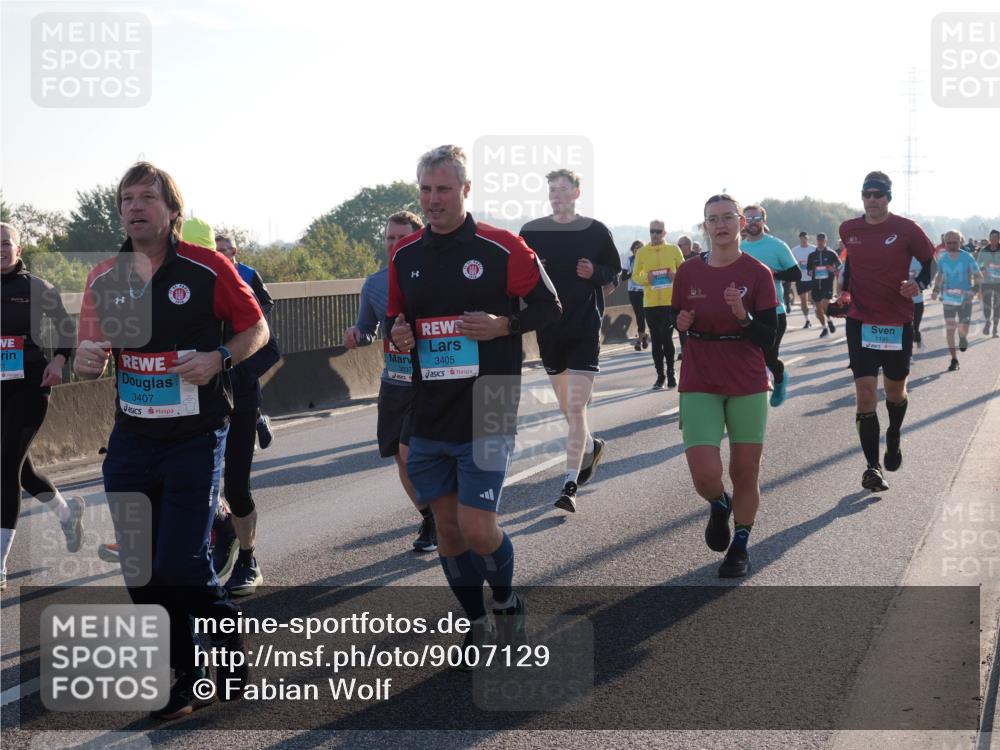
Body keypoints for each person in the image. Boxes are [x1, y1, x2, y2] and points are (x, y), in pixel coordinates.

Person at [74, 162, 268, 719]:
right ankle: (185, 673)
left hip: (195, 436)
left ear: (172, 211)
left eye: (147, 198)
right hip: (132, 440)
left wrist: (219, 357)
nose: (135, 208)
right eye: (126, 200)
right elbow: (91, 359)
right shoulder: (104, 278)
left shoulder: (208, 269)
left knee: (183, 565)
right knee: (140, 568)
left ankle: (227, 651)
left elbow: (258, 329)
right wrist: (86, 359)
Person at [387, 145, 560, 663]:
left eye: (443, 189)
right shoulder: (405, 255)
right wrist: (397, 334)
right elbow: (396, 324)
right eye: (425, 190)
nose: (433, 199)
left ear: (466, 190)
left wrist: (505, 324)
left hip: (489, 401)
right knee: (447, 526)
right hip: (431, 405)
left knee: (478, 526)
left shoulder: (503, 247)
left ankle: (506, 600)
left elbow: (551, 308)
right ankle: (474, 620)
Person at [672, 195, 778, 578]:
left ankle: (740, 544)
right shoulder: (687, 273)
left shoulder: (758, 273)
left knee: (745, 471)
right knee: (704, 473)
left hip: (746, 377)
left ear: (741, 223)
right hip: (700, 375)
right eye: (713, 219)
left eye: (727, 218)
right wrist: (680, 322)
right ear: (705, 226)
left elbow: (769, 336)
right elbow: (677, 315)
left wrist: (743, 316)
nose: (721, 225)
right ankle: (719, 504)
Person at [520, 169, 621, 513]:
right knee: (568, 410)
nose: (557, 195)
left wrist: (595, 272)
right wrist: (533, 273)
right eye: (552, 190)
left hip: (584, 327)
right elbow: (515, 281)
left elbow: (614, 274)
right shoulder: (531, 232)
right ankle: (592, 447)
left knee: (576, 407)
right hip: (549, 330)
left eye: (563, 189)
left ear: (577, 193)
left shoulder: (595, 230)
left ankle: (569, 483)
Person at [343, 210, 437, 551]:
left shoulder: (431, 273)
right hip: (394, 380)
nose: (394, 244)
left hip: (429, 380)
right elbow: (368, 330)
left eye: (401, 237)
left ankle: (445, 511)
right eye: (389, 238)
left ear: (417, 236)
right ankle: (430, 518)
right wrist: (357, 334)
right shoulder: (375, 284)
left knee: (409, 451)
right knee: (399, 457)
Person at [836, 171, 935, 492]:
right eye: (868, 194)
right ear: (862, 197)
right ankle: (872, 467)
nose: (873, 199)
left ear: (888, 197)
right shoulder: (849, 229)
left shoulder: (907, 229)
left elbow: (928, 261)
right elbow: (851, 264)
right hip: (860, 320)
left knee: (895, 392)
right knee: (865, 395)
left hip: (897, 321)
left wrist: (917, 284)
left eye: (879, 194)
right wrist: (845, 291)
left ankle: (893, 435)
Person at [1, 222, 85, 591]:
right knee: (23, 473)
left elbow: (67, 327)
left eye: (6, 243)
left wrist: (59, 361)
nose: (0, 249)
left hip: (30, 388)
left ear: (19, 249)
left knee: (5, 471)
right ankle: (68, 515)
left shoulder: (34, 288)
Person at [209, 228, 281, 596]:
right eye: (212, 251)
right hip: (197, 401)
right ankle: (219, 531)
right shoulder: (183, 286)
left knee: (236, 486)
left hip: (239, 397)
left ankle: (248, 558)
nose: (219, 257)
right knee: (189, 481)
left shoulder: (247, 281)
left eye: (225, 251)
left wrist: (229, 370)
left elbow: (270, 348)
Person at [214, 233, 275, 450]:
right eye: (216, 249)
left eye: (223, 250)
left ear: (234, 252)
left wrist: (253, 324)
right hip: (224, 341)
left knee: (244, 380)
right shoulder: (210, 273)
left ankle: (255, 421)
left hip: (250, 338)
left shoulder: (248, 274)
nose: (219, 253)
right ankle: (254, 422)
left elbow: (267, 303)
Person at [740, 204, 801, 407]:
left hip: (774, 311)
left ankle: (780, 376)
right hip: (744, 312)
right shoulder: (738, 247)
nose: (753, 223)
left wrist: (773, 274)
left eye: (756, 218)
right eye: (748, 219)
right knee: (746, 358)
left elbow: (796, 274)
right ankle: (750, 399)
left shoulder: (777, 246)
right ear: (743, 222)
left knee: (768, 357)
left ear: (764, 221)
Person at [634, 221, 685, 390]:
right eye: (651, 232)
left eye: (657, 231)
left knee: (666, 337)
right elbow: (636, 276)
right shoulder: (642, 252)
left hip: (669, 302)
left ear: (664, 232)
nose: (654, 234)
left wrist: (675, 276)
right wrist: (645, 279)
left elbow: (685, 271)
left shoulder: (673, 249)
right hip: (650, 303)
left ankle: (671, 372)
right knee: (656, 340)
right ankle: (660, 376)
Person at [930, 230, 982, 372]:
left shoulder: (968, 258)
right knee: (950, 328)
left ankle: (963, 336)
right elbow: (940, 275)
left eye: (955, 242)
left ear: (961, 242)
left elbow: (978, 276)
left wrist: (974, 289)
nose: (952, 245)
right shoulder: (943, 258)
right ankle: (954, 359)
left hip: (965, 299)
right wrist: (935, 290)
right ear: (945, 243)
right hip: (948, 299)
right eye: (949, 243)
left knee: (963, 327)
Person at [806, 232, 842, 337]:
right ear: (816, 241)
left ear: (825, 241)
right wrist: (811, 272)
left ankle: (829, 319)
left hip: (827, 284)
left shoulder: (831, 253)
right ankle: (825, 327)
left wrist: (833, 269)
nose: (820, 242)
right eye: (819, 240)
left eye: (822, 240)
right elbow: (808, 269)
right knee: (818, 310)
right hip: (815, 285)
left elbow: (840, 266)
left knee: (824, 304)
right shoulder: (812, 255)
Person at [623, 240, 648, 351]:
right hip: (633, 291)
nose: (637, 249)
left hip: (646, 291)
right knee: (639, 315)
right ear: (632, 249)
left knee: (643, 315)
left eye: (640, 247)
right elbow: (623, 277)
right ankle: (643, 336)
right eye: (635, 247)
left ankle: (639, 340)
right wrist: (631, 272)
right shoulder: (629, 260)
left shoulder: (647, 260)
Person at [978, 229, 1000, 337]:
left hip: (999, 282)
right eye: (991, 237)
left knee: (997, 306)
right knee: (987, 304)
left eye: (995, 237)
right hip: (986, 281)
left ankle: (995, 329)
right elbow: (978, 263)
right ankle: (987, 322)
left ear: (998, 238)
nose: (993, 239)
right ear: (989, 238)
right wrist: (982, 268)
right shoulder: (984, 250)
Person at [792, 231, 816, 327]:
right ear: (800, 239)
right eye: (802, 238)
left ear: (807, 238)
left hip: (811, 278)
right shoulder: (795, 250)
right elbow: (791, 262)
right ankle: (807, 320)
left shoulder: (813, 249)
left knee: (812, 299)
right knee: (803, 300)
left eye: (805, 238)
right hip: (800, 278)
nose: (803, 240)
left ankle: (817, 312)